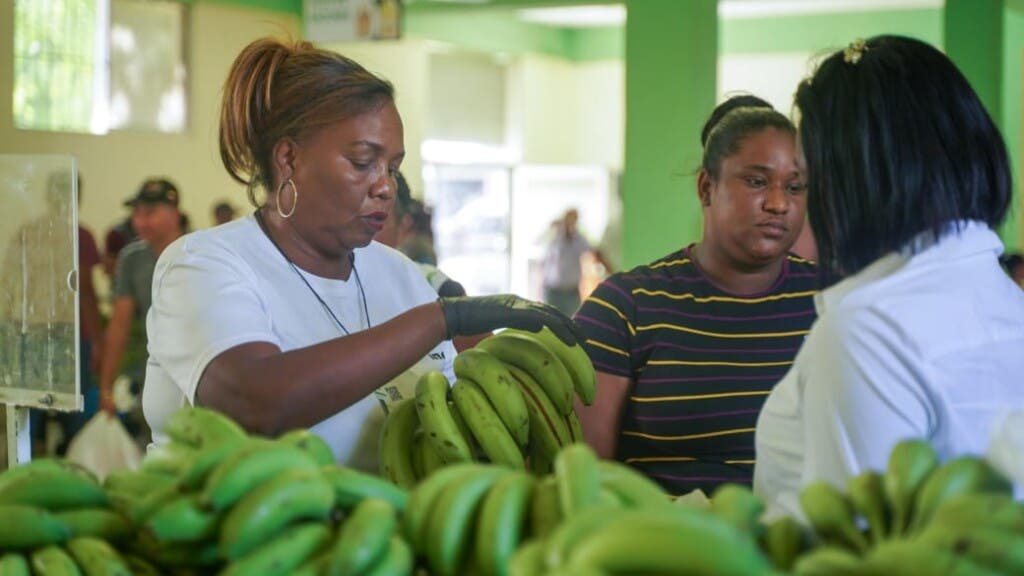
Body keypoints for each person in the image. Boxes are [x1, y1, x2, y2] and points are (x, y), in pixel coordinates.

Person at [141, 38, 582, 470]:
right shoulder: (205, 264)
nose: (386, 186)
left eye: (392, 167)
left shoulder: (401, 276)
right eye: (362, 161)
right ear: (288, 160)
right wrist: (441, 320)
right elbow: (251, 402)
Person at [754, 36, 1024, 519]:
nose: (794, 205)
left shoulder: (869, 331)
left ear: (853, 179)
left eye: (807, 180)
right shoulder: (1003, 297)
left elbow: (858, 546)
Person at [574, 95, 818, 496]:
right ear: (707, 187)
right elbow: (584, 479)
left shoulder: (830, 303)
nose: (778, 203)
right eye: (757, 182)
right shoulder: (625, 307)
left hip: (804, 548)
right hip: (662, 546)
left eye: (795, 187)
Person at [99, 178, 187, 446]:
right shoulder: (131, 259)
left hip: (194, 371)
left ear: (174, 214)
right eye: (136, 213)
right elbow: (119, 325)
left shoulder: (198, 250)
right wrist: (106, 386)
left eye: (150, 213)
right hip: (153, 374)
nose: (140, 221)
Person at [542, 209, 612, 316]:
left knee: (571, 322)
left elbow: (595, 252)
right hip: (553, 290)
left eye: (573, 218)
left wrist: (611, 271)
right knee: (550, 320)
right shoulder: (554, 236)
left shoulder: (579, 240)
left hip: (571, 293)